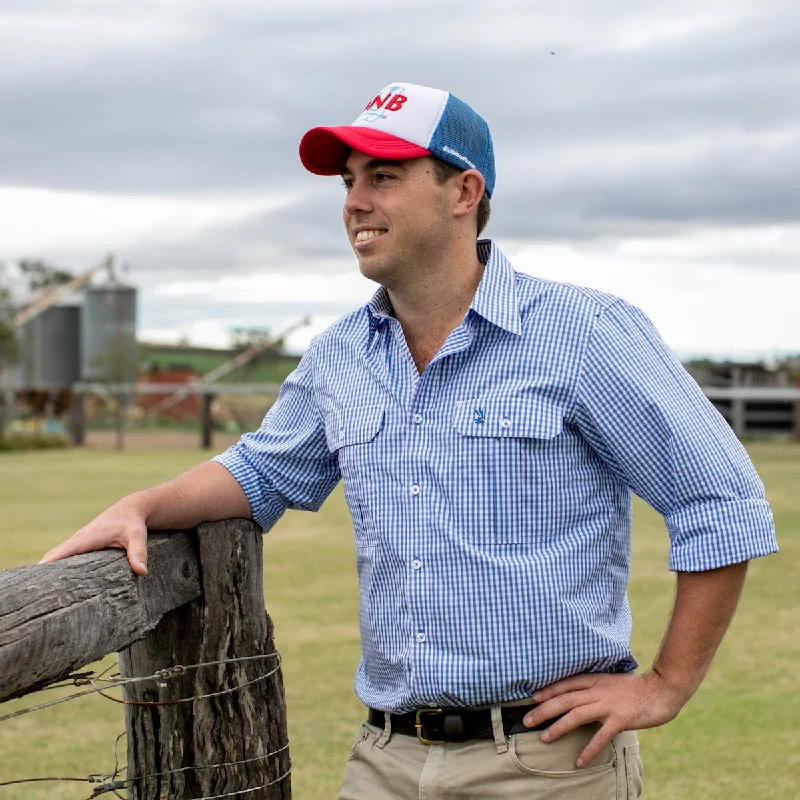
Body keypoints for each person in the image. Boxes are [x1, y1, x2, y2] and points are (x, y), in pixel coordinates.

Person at [42, 82, 778, 799]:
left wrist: (665, 686)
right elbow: (261, 473)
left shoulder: (584, 333)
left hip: (547, 766)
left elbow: (721, 501)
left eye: (384, 177)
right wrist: (142, 504)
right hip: (385, 761)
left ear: (463, 192)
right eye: (350, 180)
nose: (355, 202)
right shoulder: (341, 355)